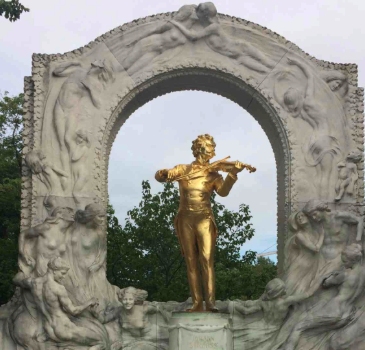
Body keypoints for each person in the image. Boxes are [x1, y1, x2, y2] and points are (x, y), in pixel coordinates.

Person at [155, 134, 246, 312]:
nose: (213, 151)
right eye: (210, 147)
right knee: (190, 261)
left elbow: (223, 193)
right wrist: (163, 173)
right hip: (185, 218)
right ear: (199, 149)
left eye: (213, 147)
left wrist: (233, 173)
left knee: (206, 259)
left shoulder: (214, 174)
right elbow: (162, 177)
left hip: (204, 218)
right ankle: (197, 302)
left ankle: (210, 303)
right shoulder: (183, 169)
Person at [278, 57, 344, 200]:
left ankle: (320, 201)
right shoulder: (309, 100)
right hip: (325, 138)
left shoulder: (299, 111)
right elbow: (309, 74)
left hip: (314, 141)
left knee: (320, 175)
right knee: (326, 175)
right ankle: (325, 203)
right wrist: (297, 62)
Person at [282, 244, 365, 350]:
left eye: (346, 261)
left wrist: (326, 276)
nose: (344, 264)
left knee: (299, 326)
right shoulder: (363, 272)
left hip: (335, 309)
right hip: (349, 312)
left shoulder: (345, 274)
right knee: (321, 333)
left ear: (353, 260)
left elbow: (326, 283)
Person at [15, 257, 108, 350]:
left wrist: (29, 268)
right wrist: (89, 302)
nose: (63, 277)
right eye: (62, 273)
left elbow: (16, 279)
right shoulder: (58, 289)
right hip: (63, 329)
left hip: (48, 329)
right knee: (100, 341)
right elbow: (73, 311)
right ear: (54, 270)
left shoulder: (33, 283)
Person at [169, 2, 275, 73]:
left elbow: (193, 37)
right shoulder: (206, 24)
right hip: (237, 56)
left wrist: (176, 24)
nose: (195, 13)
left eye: (198, 11)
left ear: (205, 15)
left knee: (271, 66)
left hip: (242, 48)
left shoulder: (213, 27)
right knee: (265, 72)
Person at [52, 59, 114, 179]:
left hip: (72, 112)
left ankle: (74, 163)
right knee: (60, 142)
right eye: (93, 63)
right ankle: (65, 174)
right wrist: (72, 62)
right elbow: (56, 71)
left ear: (100, 69)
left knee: (67, 138)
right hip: (59, 106)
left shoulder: (95, 84)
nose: (92, 65)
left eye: (96, 65)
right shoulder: (78, 71)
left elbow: (99, 104)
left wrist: (90, 89)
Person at [230, 278, 311, 350]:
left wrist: (234, 305)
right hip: (271, 330)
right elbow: (307, 295)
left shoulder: (263, 303)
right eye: (284, 289)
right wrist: (320, 282)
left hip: (258, 326)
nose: (286, 290)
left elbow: (246, 311)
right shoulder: (285, 302)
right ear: (279, 291)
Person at [122, 5, 199, 75]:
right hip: (148, 44)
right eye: (195, 10)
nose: (198, 13)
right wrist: (135, 40)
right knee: (125, 66)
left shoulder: (191, 32)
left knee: (131, 72)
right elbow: (154, 30)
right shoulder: (172, 24)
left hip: (156, 52)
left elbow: (192, 37)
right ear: (189, 13)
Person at [67, 204, 118, 308]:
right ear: (91, 216)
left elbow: (103, 251)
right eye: (100, 216)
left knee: (99, 300)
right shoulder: (75, 228)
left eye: (104, 216)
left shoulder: (99, 232)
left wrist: (97, 265)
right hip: (76, 267)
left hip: (93, 270)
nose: (103, 219)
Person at [302, 199, 363, 283]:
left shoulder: (338, 216)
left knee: (320, 283)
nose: (314, 218)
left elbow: (359, 220)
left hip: (339, 258)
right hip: (321, 259)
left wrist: (358, 239)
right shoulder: (317, 224)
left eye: (315, 214)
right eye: (311, 216)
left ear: (321, 209)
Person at [92, 286, 170, 349]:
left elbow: (159, 309)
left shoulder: (143, 308)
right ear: (121, 300)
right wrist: (94, 312)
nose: (127, 302)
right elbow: (104, 319)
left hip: (154, 337)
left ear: (134, 300)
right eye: (125, 299)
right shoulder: (119, 311)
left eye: (130, 299)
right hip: (132, 341)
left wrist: (169, 317)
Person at [18, 206, 75, 277]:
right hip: (44, 269)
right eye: (69, 212)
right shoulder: (46, 227)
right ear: (59, 214)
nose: (72, 214)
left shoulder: (66, 233)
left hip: (59, 271)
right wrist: (22, 253)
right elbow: (23, 234)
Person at [284, 211, 324, 295]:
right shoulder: (299, 235)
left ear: (308, 217)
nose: (300, 218)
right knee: (288, 290)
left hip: (312, 265)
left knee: (303, 291)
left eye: (302, 216)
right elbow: (316, 249)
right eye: (298, 218)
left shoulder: (315, 233)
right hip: (301, 264)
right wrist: (322, 235)